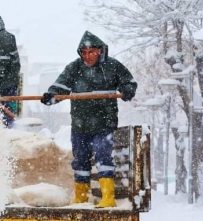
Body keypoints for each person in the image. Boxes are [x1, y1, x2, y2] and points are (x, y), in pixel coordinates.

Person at [40, 31, 137, 208]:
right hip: (80, 124)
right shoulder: (74, 68)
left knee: (103, 155)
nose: (87, 56)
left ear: (100, 51)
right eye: (83, 52)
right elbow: (60, 87)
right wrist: (51, 97)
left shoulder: (112, 66)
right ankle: (81, 197)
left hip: (104, 123)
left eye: (91, 52)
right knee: (80, 159)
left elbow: (128, 82)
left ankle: (108, 198)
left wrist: (128, 90)